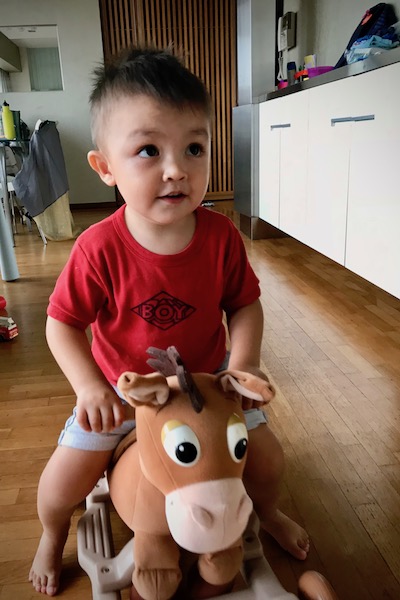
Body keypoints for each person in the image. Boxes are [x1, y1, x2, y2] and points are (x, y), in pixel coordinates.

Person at [29, 46, 309, 597]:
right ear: (105, 167)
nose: (177, 168)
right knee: (64, 479)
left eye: (194, 148)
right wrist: (89, 387)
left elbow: (245, 304)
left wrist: (244, 364)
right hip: (123, 391)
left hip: (207, 388)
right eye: (149, 150)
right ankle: (51, 532)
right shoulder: (98, 247)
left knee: (269, 461)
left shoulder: (221, 237)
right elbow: (61, 323)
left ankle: (267, 512)